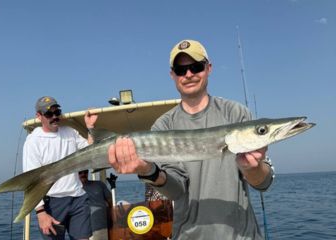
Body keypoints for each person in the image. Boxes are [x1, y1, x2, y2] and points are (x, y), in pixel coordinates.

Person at [107, 40, 274, 239]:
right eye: (180, 69)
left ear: (208, 68)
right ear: (172, 75)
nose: (188, 74)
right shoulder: (164, 125)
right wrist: (148, 171)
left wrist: (252, 168)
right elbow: (176, 190)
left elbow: (263, 183)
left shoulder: (236, 113)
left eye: (196, 67)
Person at [23, 96, 97, 240]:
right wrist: (41, 213)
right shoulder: (33, 141)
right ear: (39, 116)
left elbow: (91, 149)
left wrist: (90, 126)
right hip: (52, 203)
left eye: (57, 113)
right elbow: (32, 182)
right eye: (49, 114)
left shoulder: (70, 132)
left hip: (78, 198)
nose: (55, 117)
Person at [78, 170, 112, 240]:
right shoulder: (73, 189)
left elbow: (110, 200)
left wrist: (111, 216)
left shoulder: (99, 184)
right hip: (83, 228)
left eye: (85, 172)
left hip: (101, 225)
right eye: (80, 173)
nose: (83, 174)